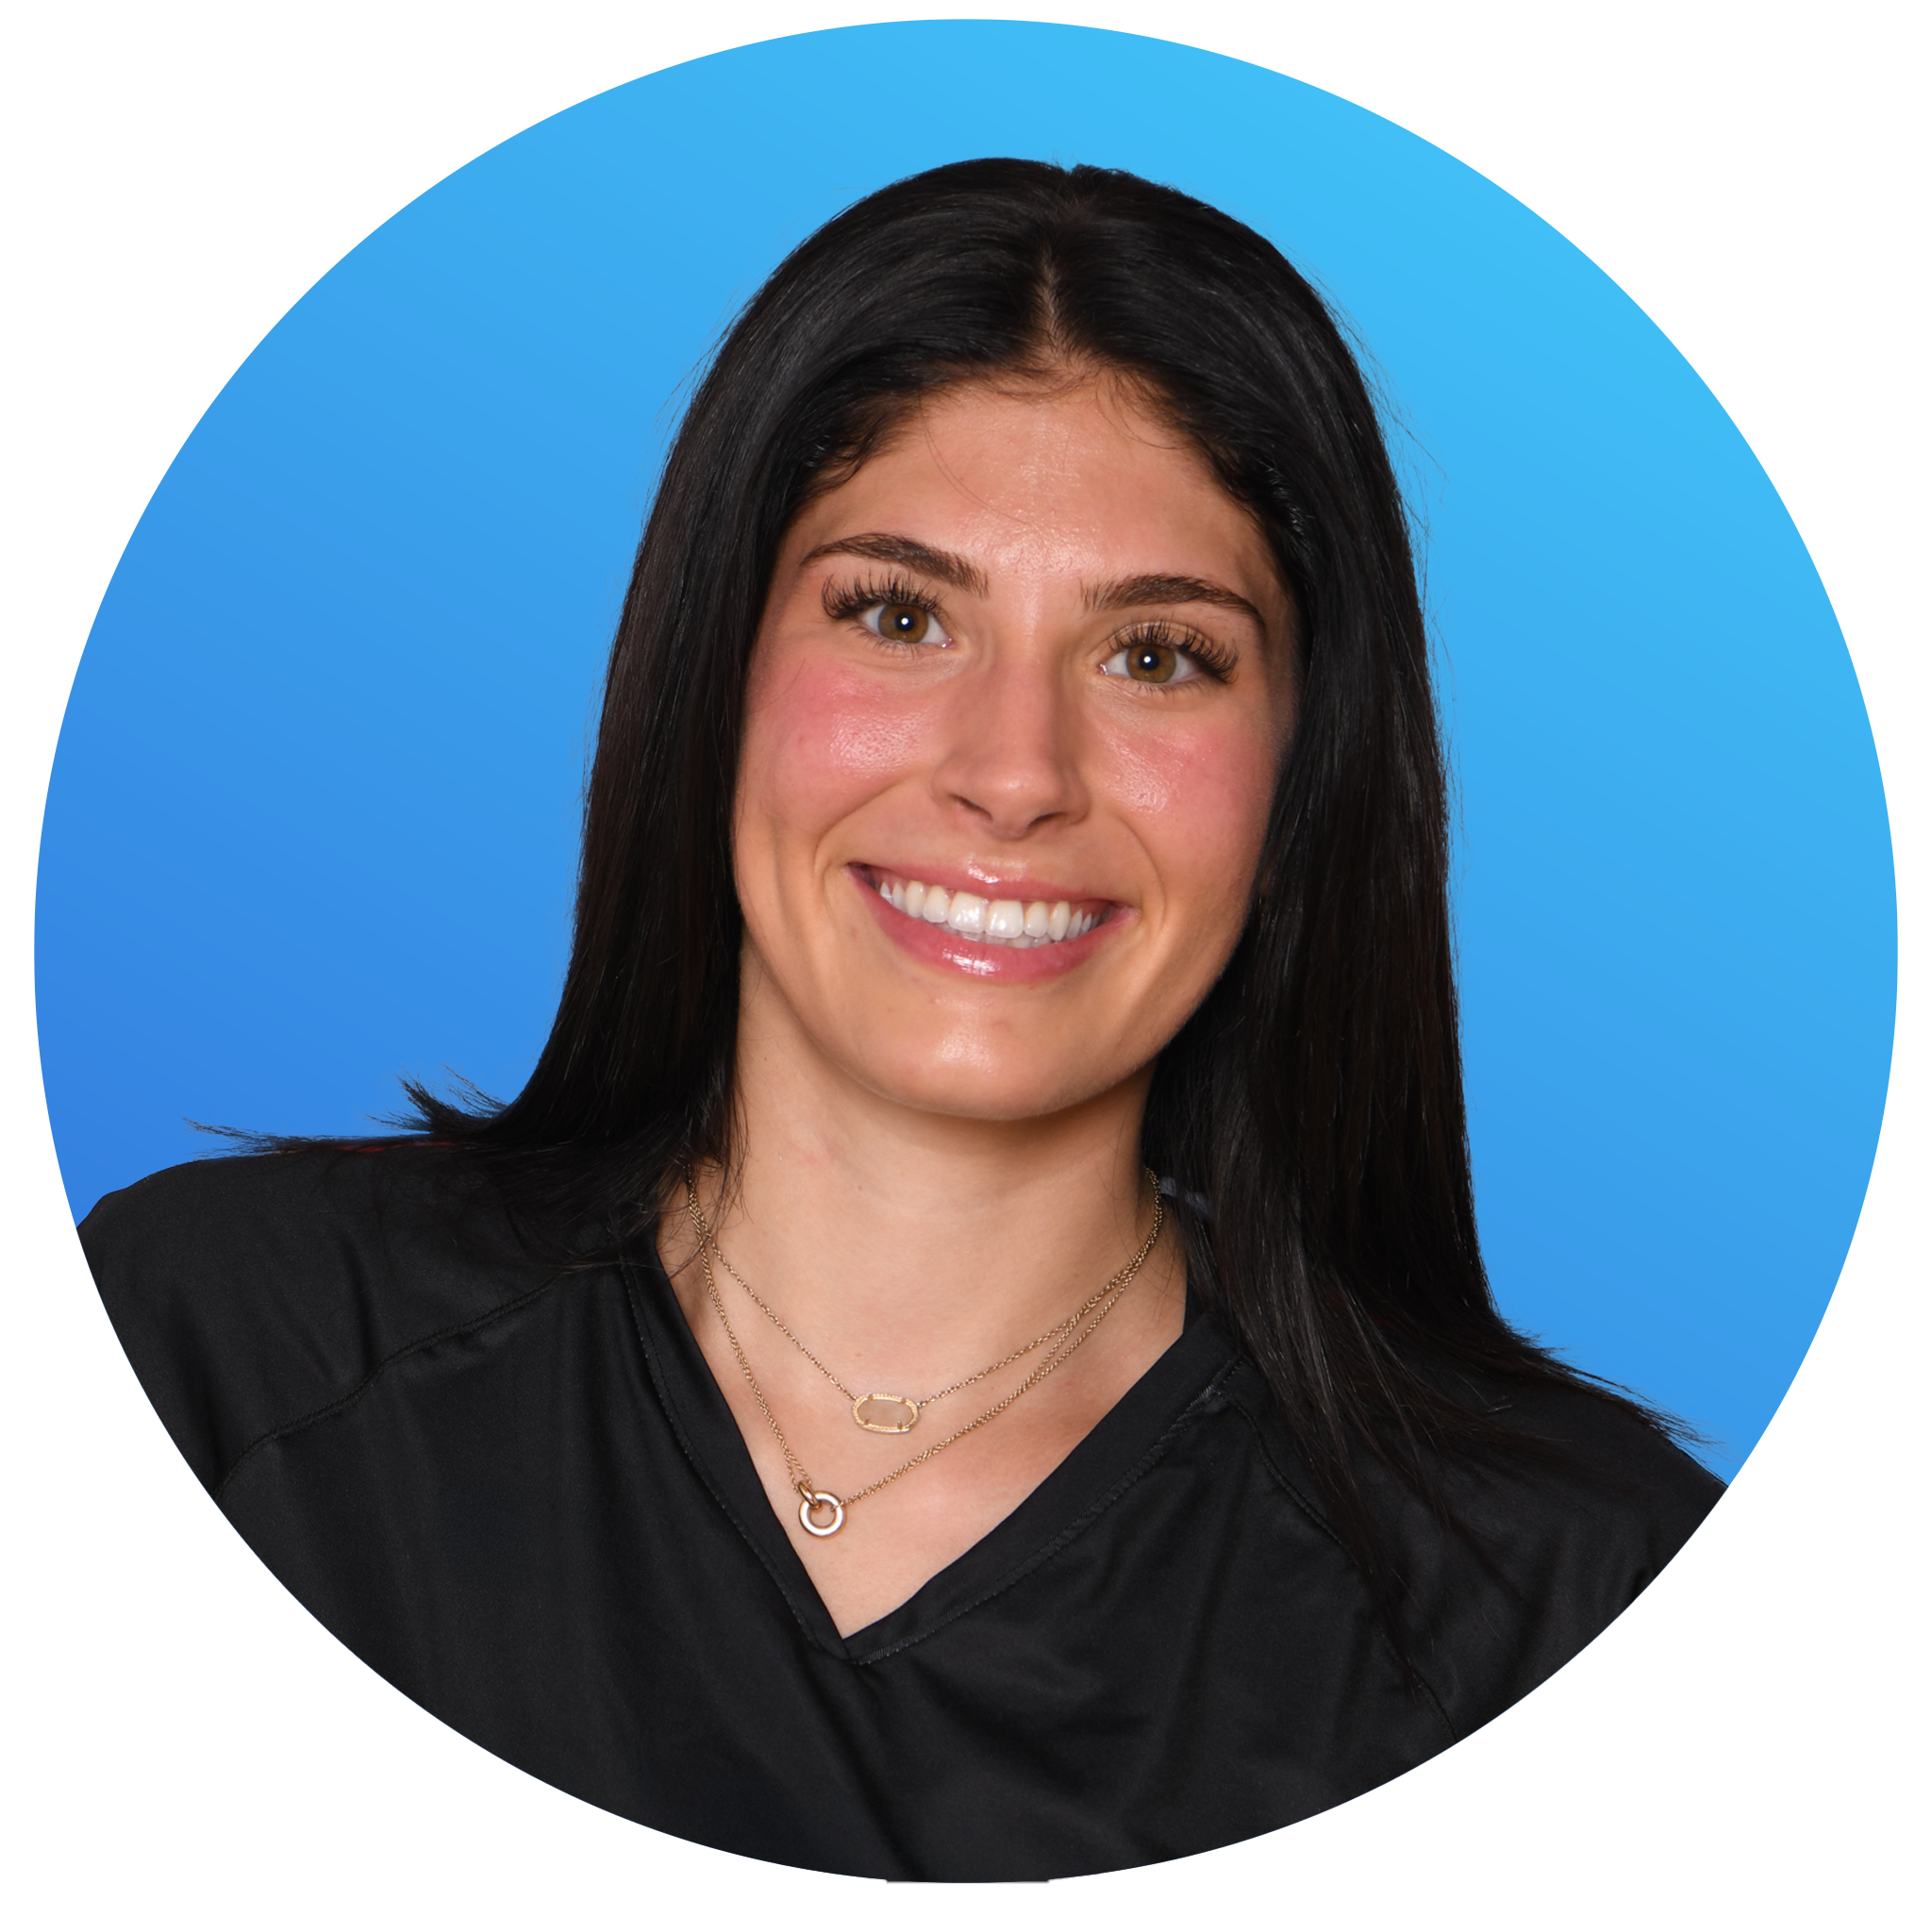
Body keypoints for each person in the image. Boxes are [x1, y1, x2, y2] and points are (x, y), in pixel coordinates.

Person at [76, 158, 1722, 1880]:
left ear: (1305, 774)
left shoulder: (1565, 1596)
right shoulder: (215, 1361)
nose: (1015, 774)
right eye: (899, 614)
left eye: (1157, 655)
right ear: (716, 671)